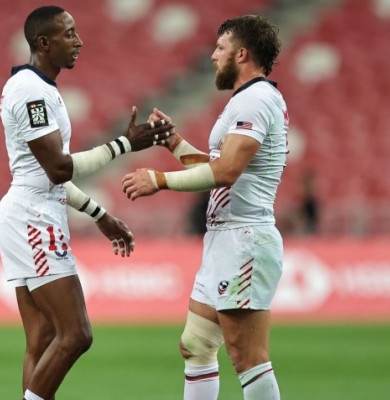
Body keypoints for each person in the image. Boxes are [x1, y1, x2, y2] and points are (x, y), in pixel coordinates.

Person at [0, 6, 174, 400]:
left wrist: (100, 214)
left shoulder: (39, 88)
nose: (79, 41)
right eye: (69, 34)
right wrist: (126, 144)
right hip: (32, 217)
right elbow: (58, 169)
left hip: (31, 208)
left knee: (42, 339)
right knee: (76, 334)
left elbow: (45, 176)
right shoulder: (31, 91)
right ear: (44, 43)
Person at [122, 15, 286, 400]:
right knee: (195, 344)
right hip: (225, 240)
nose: (212, 56)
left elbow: (226, 171)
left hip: (245, 239)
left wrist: (159, 180)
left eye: (220, 48)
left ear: (241, 53)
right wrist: (175, 143)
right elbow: (215, 167)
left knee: (247, 356)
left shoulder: (257, 99)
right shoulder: (245, 101)